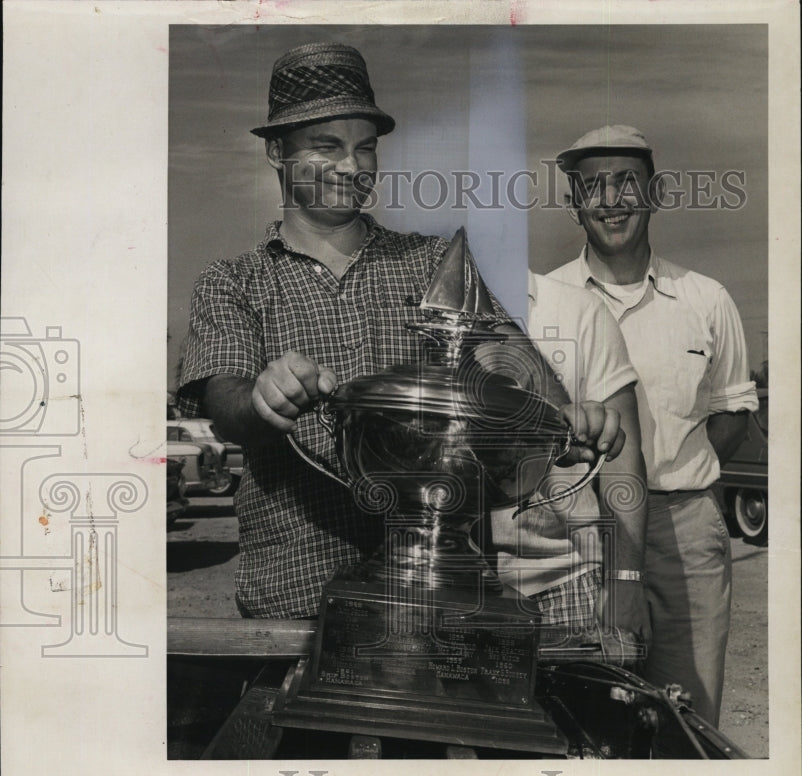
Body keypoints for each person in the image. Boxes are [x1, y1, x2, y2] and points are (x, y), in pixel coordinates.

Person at [176, 43, 628, 622]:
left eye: (365, 148)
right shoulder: (234, 281)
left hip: (441, 594)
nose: (352, 167)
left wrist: (570, 418)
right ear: (276, 151)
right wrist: (262, 399)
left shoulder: (432, 261)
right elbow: (225, 404)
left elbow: (514, 363)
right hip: (294, 594)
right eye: (326, 146)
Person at [548, 124, 758, 724]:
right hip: (574, 529)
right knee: (580, 712)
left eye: (626, 183)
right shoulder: (546, 302)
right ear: (573, 204)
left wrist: (674, 473)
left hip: (683, 530)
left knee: (684, 718)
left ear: (656, 192)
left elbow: (733, 413)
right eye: (593, 187)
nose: (610, 201)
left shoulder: (706, 298)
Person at [490, 272, 649, 653]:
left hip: (566, 582)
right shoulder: (408, 304)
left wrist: (625, 579)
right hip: (450, 583)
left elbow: (621, 453)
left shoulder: (579, 308)